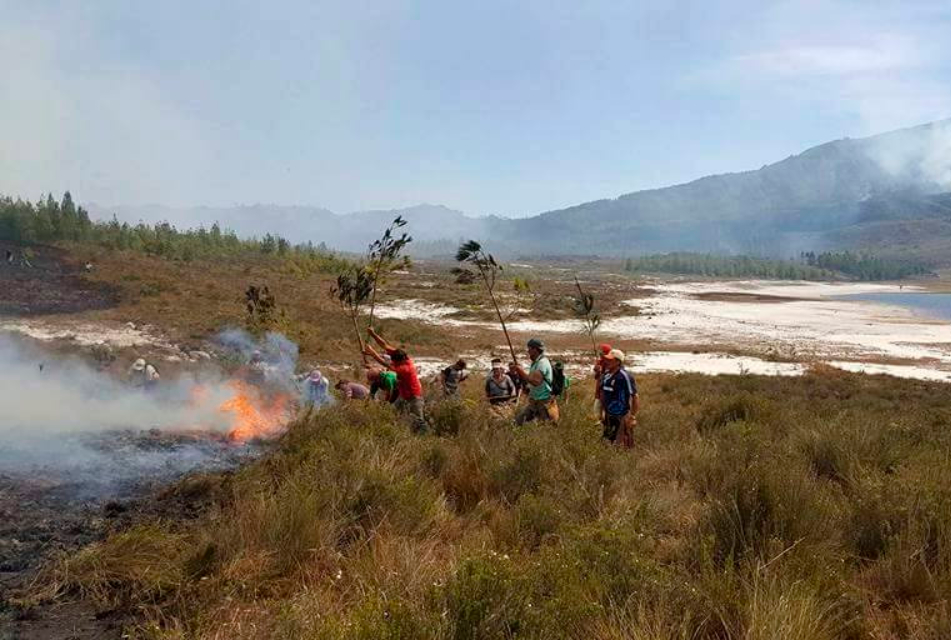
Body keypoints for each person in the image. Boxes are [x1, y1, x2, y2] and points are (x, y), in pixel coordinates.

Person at [363, 327, 429, 433]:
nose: (394, 363)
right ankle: (399, 430)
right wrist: (373, 334)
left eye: (395, 362)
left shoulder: (405, 368)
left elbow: (385, 364)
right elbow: (384, 345)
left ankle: (424, 436)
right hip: (403, 395)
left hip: (414, 396)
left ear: (401, 361)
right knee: (394, 411)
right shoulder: (399, 355)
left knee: (419, 419)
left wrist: (372, 353)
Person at [512, 338, 559, 425]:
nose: (528, 351)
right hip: (534, 401)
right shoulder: (536, 363)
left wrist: (520, 371)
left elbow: (535, 382)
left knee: (547, 427)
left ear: (535, 349)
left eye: (529, 349)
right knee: (517, 422)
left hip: (544, 402)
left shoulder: (542, 363)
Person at [599, 349, 639, 447]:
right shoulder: (606, 376)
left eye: (610, 360)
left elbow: (635, 396)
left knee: (622, 446)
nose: (607, 362)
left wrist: (633, 417)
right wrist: (602, 412)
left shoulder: (625, 376)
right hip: (608, 416)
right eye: (606, 359)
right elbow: (603, 395)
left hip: (621, 416)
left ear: (618, 362)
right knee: (607, 444)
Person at [592, 343, 612, 415]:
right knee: (596, 411)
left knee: (605, 412)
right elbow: (596, 377)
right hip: (599, 392)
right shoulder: (599, 362)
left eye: (602, 351)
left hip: (607, 393)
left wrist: (602, 373)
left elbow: (609, 377)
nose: (600, 353)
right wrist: (597, 371)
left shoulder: (611, 364)